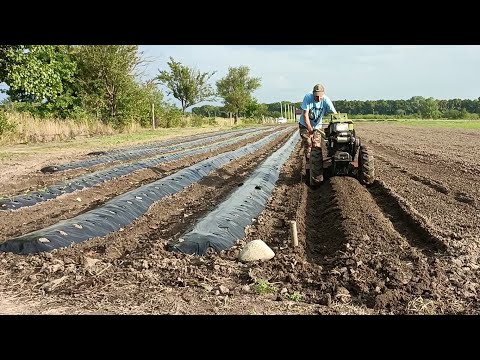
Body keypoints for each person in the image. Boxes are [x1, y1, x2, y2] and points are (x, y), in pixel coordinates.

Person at [298, 83, 337, 161]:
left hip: (317, 127)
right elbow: (305, 115)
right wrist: (310, 129)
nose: (318, 99)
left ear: (323, 95)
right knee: (309, 143)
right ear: (313, 94)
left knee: (316, 146)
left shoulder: (326, 100)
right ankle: (309, 163)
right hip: (305, 125)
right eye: (316, 96)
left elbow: (334, 113)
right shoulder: (308, 98)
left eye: (320, 96)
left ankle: (316, 163)